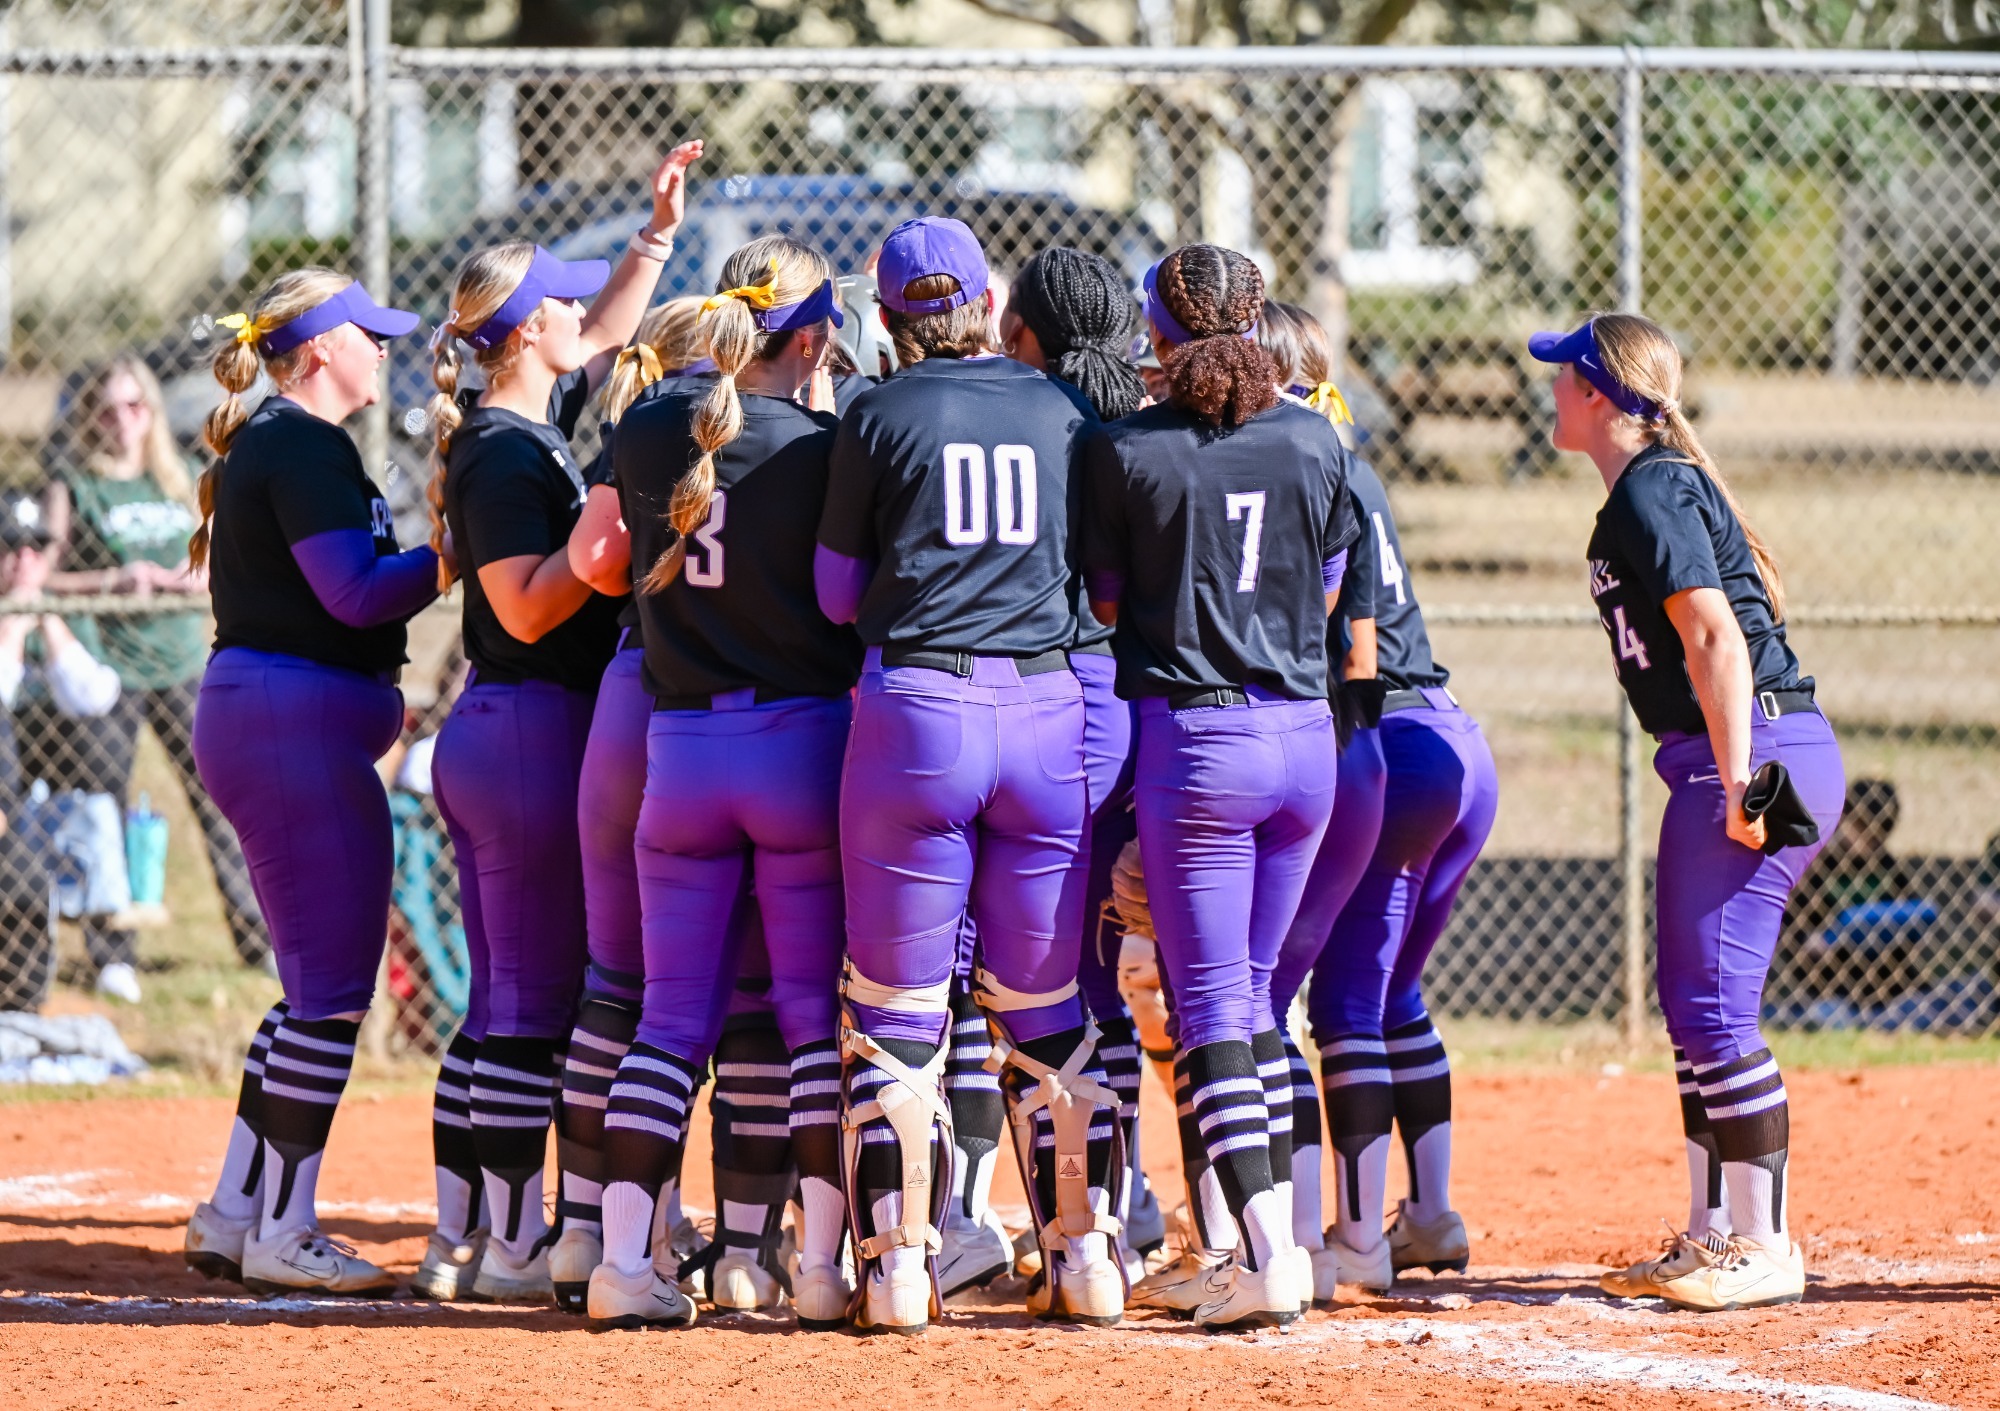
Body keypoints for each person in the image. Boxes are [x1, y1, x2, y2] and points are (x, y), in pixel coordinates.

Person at [816, 216, 1123, 1333]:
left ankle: (898, 1270)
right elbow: (1100, 587)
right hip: (1047, 713)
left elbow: (836, 595)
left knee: (897, 1013)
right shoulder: (1059, 407)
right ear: (990, 306)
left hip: (918, 712)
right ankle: (1084, 1257)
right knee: (1043, 1008)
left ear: (890, 320)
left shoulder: (876, 410)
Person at [418, 140, 703, 1305]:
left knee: (507, 1004)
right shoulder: (498, 452)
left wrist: (655, 239)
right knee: (526, 1009)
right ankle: (510, 1242)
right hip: (526, 722)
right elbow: (524, 611)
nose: (582, 317)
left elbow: (603, 336)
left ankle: (486, 1238)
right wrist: (616, 547)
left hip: (517, 731)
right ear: (525, 333)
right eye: (563, 305)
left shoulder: (527, 420)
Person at [1529, 313, 1844, 1312]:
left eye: (1561, 376)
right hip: (1727, 754)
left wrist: (1743, 780)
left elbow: (1712, 636)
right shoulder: (1644, 488)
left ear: (1596, 395)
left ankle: (1761, 1241)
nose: (1548, 391)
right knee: (1690, 1005)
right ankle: (1713, 1233)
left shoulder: (1654, 486)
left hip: (1748, 752)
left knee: (1712, 1005)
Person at [580, 236, 859, 1331]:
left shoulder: (648, 424)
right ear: (814, 336)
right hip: (799, 748)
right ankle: (817, 1266)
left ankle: (622, 1265)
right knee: (804, 1021)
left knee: (666, 1022)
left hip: (681, 749)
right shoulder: (821, 443)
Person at [1084, 244, 1358, 1330]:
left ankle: (1259, 1260)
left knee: (1211, 1015)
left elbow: (1104, 608)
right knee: (1253, 1004)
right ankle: (1269, 1243)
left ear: (1154, 334)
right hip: (1304, 741)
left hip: (1197, 743)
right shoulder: (1315, 435)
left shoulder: (1127, 450)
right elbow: (1331, 587)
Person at [176, 268, 436, 1296]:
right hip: (290, 723)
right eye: (368, 334)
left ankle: (237, 1208)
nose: (384, 347)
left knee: (310, 990)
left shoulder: (290, 441)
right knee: (331, 993)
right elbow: (357, 592)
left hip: (282, 717)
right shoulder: (301, 442)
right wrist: (459, 554)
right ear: (320, 348)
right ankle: (283, 1226)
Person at [991, 245, 1166, 1282]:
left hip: (1049, 702)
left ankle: (1069, 1216)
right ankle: (1124, 1205)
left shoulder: (1031, 422)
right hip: (1138, 711)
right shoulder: (1138, 424)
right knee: (1097, 979)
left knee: (1024, 981)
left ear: (1024, 336)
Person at [24, 356, 269, 997]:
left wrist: (181, 579)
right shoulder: (74, 488)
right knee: (103, 805)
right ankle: (114, 954)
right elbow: (33, 577)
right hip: (108, 669)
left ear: (153, 412)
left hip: (182, 662)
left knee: (220, 797)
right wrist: (113, 580)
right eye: (106, 409)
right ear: (88, 420)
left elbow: (220, 565)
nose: (122, 421)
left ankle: (255, 937)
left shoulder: (181, 478)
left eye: (135, 406)